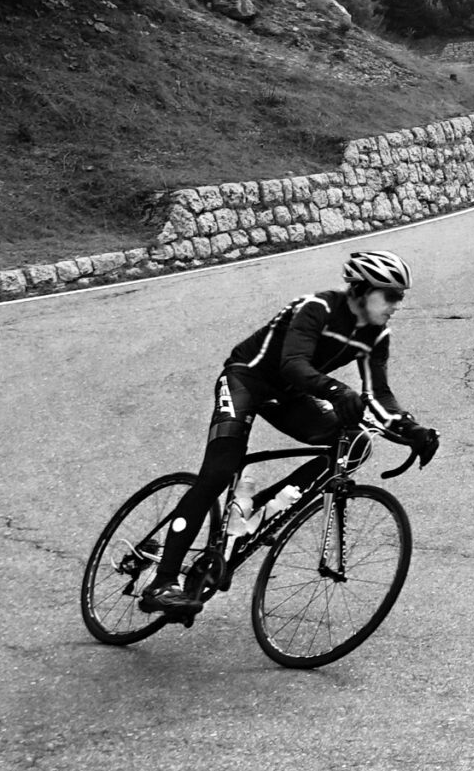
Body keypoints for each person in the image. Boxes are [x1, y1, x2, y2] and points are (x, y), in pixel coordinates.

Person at [139, 249, 442, 613]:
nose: (397, 304)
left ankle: (252, 516)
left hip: (289, 396)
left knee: (356, 443)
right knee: (218, 473)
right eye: (391, 295)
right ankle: (162, 582)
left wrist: (411, 428)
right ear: (362, 290)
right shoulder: (317, 308)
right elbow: (293, 364)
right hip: (246, 380)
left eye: (401, 297)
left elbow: (379, 394)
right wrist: (336, 391)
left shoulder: (376, 335)